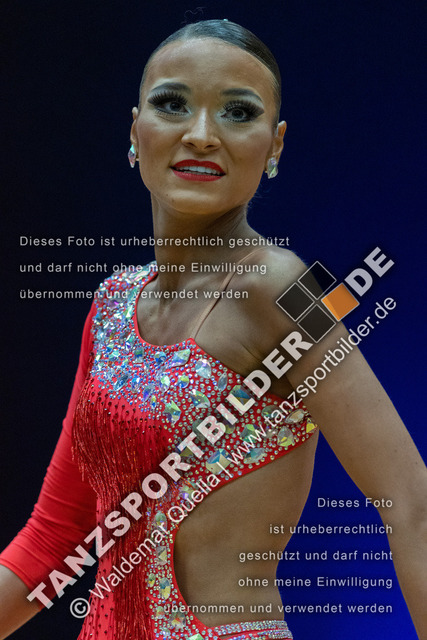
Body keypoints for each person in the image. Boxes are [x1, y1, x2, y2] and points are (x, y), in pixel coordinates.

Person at [0, 18, 426, 640]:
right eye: (172, 104)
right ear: (135, 131)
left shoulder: (281, 288)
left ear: (275, 145)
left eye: (238, 112)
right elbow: (55, 539)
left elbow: (411, 504)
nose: (201, 135)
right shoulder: (113, 304)